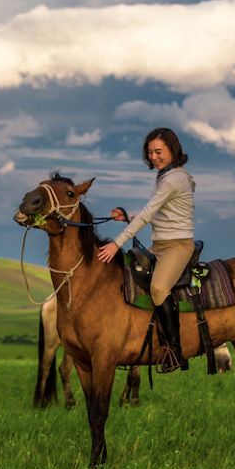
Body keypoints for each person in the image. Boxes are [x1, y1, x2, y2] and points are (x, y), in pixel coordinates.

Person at [97, 127, 195, 372]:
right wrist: (127, 216)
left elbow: (149, 213)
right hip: (160, 244)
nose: (154, 156)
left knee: (159, 288)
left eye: (158, 151)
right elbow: (157, 212)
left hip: (178, 245)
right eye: (150, 152)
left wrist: (116, 243)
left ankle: (175, 351)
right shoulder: (164, 175)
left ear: (173, 149)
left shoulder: (174, 179)